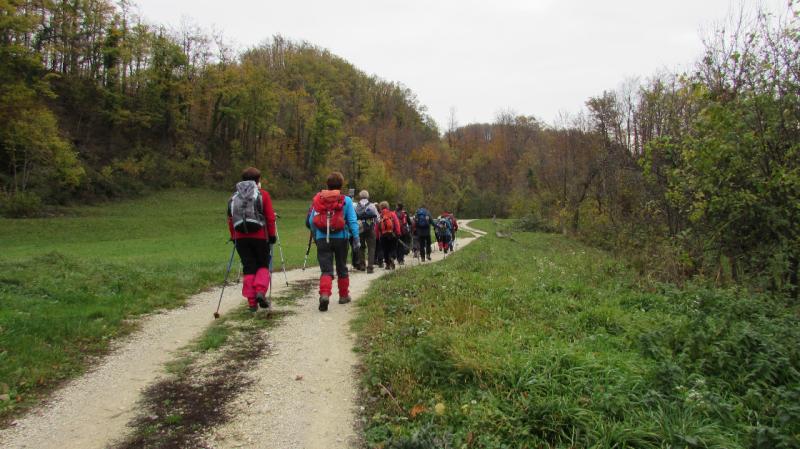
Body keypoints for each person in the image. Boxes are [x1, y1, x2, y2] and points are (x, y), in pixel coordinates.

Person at [307, 172, 360, 312]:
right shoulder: (346, 200)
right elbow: (352, 221)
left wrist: (315, 234)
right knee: (342, 266)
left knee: (326, 269)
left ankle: (324, 294)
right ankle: (343, 296)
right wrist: (356, 237)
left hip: (322, 237)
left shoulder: (319, 198)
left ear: (327, 184)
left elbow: (312, 220)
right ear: (341, 185)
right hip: (341, 238)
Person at [227, 167, 277, 312]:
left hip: (240, 237)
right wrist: (272, 235)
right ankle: (260, 291)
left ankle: (252, 302)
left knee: (248, 267)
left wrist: (233, 236)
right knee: (263, 264)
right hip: (260, 236)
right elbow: (270, 217)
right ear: (258, 180)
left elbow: (230, 219)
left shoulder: (234, 197)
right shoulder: (263, 194)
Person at [355, 190, 379, 273]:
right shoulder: (372, 206)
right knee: (371, 248)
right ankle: (370, 267)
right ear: (368, 196)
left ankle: (362, 265)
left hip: (360, 228)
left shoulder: (356, 206)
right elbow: (377, 218)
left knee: (361, 247)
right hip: (370, 228)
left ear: (360, 196)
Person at [377, 201, 401, 269]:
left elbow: (377, 227)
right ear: (388, 207)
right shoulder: (392, 214)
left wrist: (378, 236)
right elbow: (397, 224)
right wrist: (398, 233)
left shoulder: (380, 215)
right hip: (392, 234)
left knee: (385, 250)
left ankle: (387, 264)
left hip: (383, 235)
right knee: (393, 248)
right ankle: (392, 257)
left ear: (380, 208)